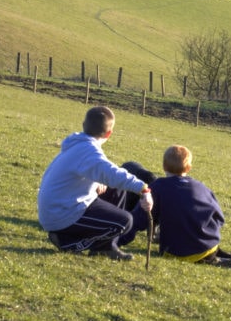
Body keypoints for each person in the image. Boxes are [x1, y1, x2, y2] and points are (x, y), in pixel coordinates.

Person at [37, 106, 153, 261]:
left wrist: (97, 180)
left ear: (84, 125)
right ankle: (68, 242)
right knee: (125, 222)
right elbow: (113, 173)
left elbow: (97, 172)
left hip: (59, 206)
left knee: (119, 191)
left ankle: (107, 247)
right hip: (62, 214)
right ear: (109, 133)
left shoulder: (78, 145)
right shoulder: (88, 151)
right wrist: (144, 190)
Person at [124, 144, 231, 270]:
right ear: (189, 168)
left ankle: (214, 260)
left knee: (184, 247)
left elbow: (140, 218)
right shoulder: (201, 187)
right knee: (202, 248)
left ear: (164, 166)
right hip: (209, 245)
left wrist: (119, 239)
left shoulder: (158, 187)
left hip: (177, 252)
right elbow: (219, 218)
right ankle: (216, 257)